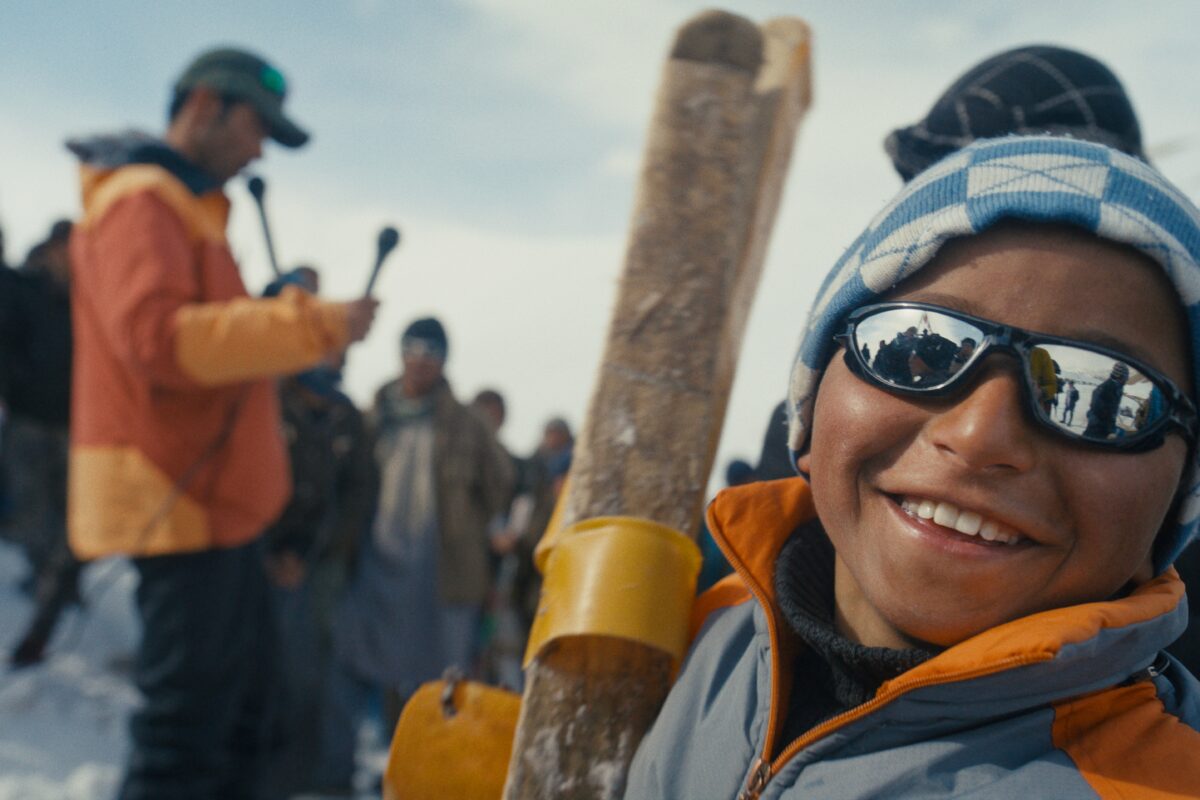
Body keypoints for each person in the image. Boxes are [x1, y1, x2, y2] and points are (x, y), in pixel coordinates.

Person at [625, 136, 1200, 798]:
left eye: (1100, 397)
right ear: (811, 413)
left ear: (1177, 493)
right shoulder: (707, 631)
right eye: (916, 350)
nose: (981, 434)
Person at [66, 47, 378, 800]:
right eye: (255, 125)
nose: (260, 148)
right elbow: (163, 341)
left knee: (246, 721)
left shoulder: (187, 209)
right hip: (177, 501)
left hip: (217, 511)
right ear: (205, 105)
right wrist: (311, 326)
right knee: (185, 739)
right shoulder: (144, 200)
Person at [318, 317, 514, 793]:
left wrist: (469, 533)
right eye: (413, 348)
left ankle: (431, 785)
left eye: (432, 351)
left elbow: (500, 487)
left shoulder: (466, 421)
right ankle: (337, 780)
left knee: (440, 687)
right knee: (350, 669)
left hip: (442, 579)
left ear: (444, 360)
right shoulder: (375, 414)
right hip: (373, 570)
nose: (421, 359)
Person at [1, 220, 79, 667]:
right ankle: (37, 576)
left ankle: (55, 588)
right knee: (31, 514)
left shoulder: (87, 297)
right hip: (28, 419)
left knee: (68, 522)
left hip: (71, 427)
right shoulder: (22, 289)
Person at [1084, 362, 1130, 440]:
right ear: (1120, 376)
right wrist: (1110, 431)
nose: (1126, 380)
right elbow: (1102, 412)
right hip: (1097, 430)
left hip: (1100, 428)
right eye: (1126, 377)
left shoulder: (1117, 387)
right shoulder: (1107, 389)